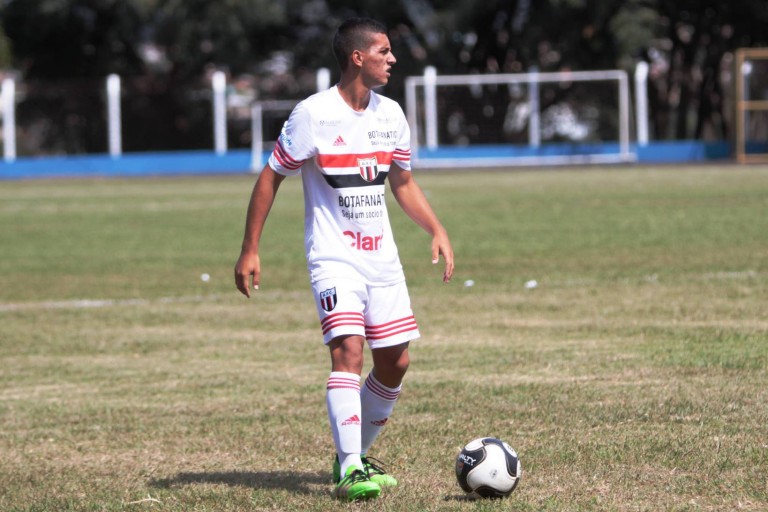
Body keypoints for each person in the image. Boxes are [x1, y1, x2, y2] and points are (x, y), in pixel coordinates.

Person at [234, 17, 454, 501]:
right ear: (357, 57)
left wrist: (436, 229)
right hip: (333, 257)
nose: (392, 58)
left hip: (383, 260)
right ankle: (352, 467)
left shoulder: (391, 115)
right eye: (383, 51)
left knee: (396, 361)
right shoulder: (313, 115)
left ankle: (349, 457)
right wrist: (251, 248)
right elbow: (270, 177)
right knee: (349, 353)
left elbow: (402, 182)